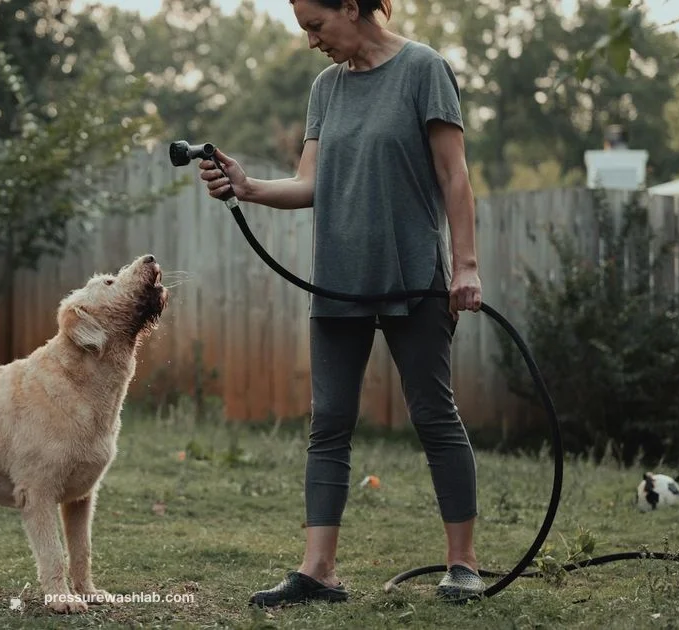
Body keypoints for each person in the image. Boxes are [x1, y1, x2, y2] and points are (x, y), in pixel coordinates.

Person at [196, 0, 485, 606]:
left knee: (434, 414)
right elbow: (310, 183)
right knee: (328, 422)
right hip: (338, 282)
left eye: (315, 25)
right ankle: (317, 571)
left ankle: (463, 565)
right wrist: (248, 188)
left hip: (413, 280)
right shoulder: (326, 88)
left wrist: (465, 266)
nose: (311, 41)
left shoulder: (424, 70)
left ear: (352, 8)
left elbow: (455, 175)